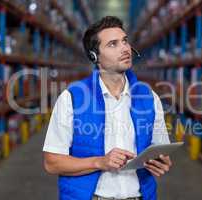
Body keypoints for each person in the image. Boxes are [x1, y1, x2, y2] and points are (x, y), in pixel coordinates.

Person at [43, 16, 172, 200]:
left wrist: (161, 161)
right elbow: (52, 163)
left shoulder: (149, 98)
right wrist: (99, 162)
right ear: (95, 57)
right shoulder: (72, 99)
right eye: (113, 44)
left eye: (125, 41)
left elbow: (160, 148)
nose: (125, 49)